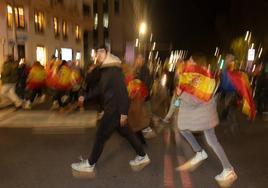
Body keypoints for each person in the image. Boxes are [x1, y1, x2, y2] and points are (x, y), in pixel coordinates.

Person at [71, 46, 150, 175]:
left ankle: (90, 164)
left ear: (107, 54)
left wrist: (124, 113)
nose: (98, 55)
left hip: (114, 110)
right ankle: (143, 156)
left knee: (100, 136)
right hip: (115, 110)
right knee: (128, 133)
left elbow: (123, 93)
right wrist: (84, 97)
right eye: (97, 52)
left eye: (101, 52)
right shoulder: (106, 70)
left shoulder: (113, 71)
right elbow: (100, 88)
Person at [175, 54, 237, 187]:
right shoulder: (202, 75)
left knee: (211, 141)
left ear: (197, 63)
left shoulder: (201, 78)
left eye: (191, 60)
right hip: (203, 114)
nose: (189, 62)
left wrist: (180, 94)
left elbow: (195, 99)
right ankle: (200, 153)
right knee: (184, 128)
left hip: (204, 115)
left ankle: (228, 169)